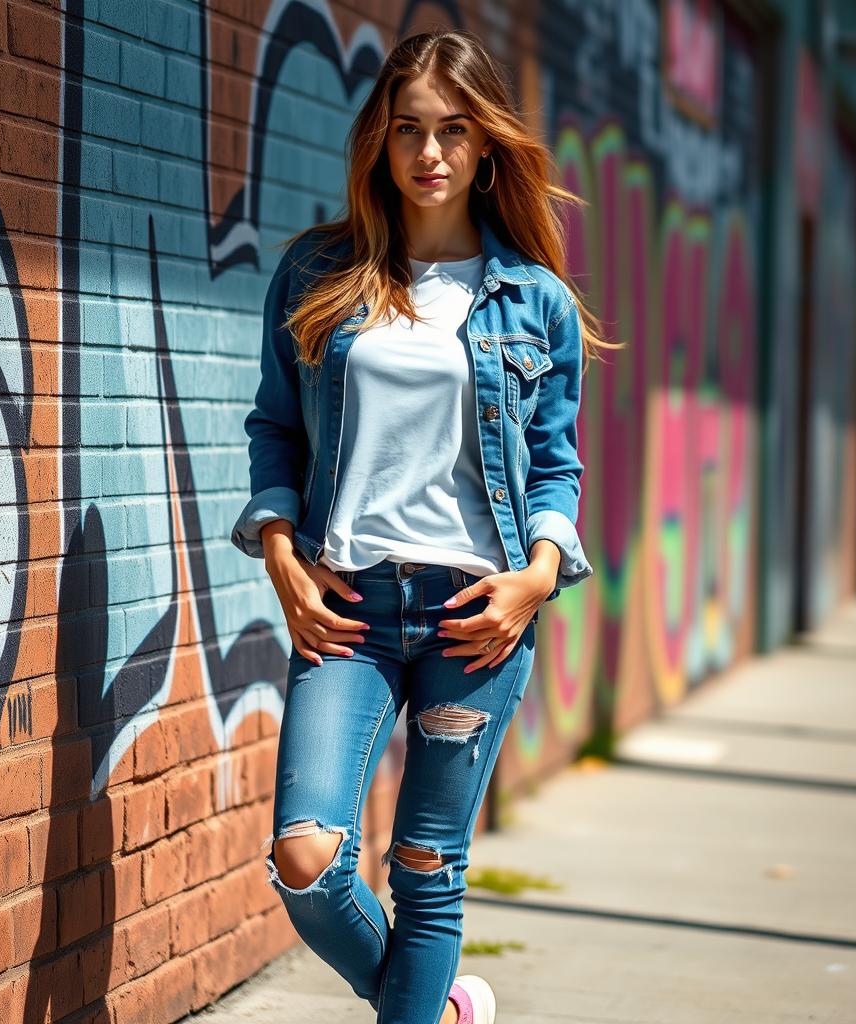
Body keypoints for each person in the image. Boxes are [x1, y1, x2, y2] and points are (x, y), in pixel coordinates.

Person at [230, 28, 615, 1024]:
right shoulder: (319, 272)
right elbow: (274, 427)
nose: (430, 151)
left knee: (427, 864)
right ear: (380, 141)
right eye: (409, 129)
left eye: (453, 129)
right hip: (349, 605)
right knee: (308, 857)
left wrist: (536, 579)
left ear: (486, 146)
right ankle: (441, 1011)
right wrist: (281, 555)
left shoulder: (535, 304)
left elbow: (555, 466)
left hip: (477, 612)